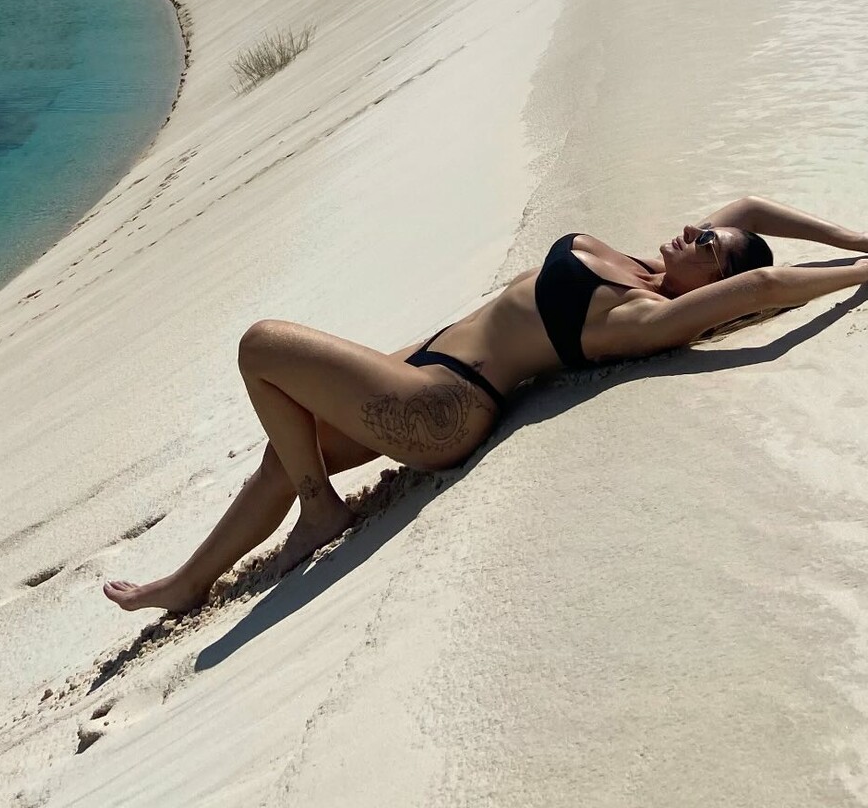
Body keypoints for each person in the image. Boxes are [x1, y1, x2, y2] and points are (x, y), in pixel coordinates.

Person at [103, 195, 868, 617]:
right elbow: (752, 209)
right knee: (288, 442)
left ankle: (320, 510)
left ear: (715, 288)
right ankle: (188, 581)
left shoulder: (642, 317)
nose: (693, 231)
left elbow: (764, 283)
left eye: (708, 245)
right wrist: (850, 234)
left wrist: (859, 270)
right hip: (428, 366)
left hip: (444, 407)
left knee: (261, 346)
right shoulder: (647, 267)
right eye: (703, 231)